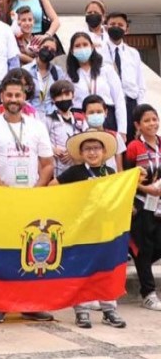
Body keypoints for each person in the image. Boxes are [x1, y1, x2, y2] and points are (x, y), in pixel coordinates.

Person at [55, 130, 129, 329]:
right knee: (82, 267)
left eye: (96, 148)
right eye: (87, 149)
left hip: (106, 228)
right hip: (82, 229)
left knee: (107, 268)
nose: (92, 152)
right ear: (81, 153)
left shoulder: (110, 172)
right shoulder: (74, 172)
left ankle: (109, 309)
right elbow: (53, 187)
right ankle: (82, 310)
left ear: (104, 152)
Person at [123, 104, 161, 311]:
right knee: (144, 248)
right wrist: (147, 189)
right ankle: (148, 294)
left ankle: (135, 256)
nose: (152, 124)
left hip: (159, 204)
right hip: (141, 204)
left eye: (154, 119)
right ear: (138, 125)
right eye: (147, 121)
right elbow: (127, 178)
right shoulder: (134, 147)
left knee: (154, 247)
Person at [66, 31, 128, 133]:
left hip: (106, 117)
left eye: (85, 44)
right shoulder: (70, 76)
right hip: (80, 120)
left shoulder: (106, 70)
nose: (82, 48)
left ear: (92, 47)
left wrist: (122, 130)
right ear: (72, 51)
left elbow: (119, 100)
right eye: (77, 46)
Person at [104, 13, 144, 139]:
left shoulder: (133, 53)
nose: (116, 27)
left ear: (127, 30)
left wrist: (140, 110)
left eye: (120, 25)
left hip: (131, 105)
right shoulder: (98, 52)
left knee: (131, 142)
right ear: (106, 27)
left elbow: (140, 84)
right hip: (109, 106)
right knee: (111, 143)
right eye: (112, 24)